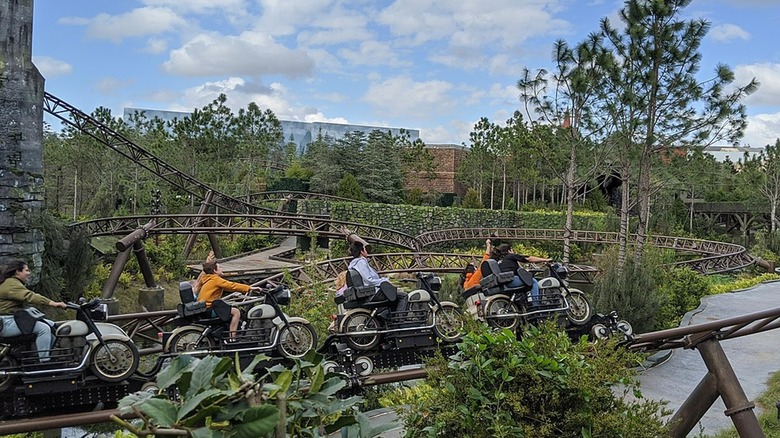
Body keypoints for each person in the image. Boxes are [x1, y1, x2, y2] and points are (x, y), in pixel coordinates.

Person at [0, 260, 67, 362]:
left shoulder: (13, 282)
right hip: (6, 322)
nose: (29, 273)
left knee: (51, 324)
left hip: (12, 319)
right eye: (26, 270)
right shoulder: (11, 284)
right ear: (18, 271)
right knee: (43, 329)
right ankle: (44, 361)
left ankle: (50, 353)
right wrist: (53, 303)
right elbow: (30, 296)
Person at [197, 260, 260, 340]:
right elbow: (231, 286)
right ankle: (232, 338)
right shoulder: (215, 279)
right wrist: (249, 288)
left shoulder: (208, 279)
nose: (222, 269)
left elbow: (228, 288)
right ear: (215, 271)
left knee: (231, 309)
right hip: (209, 308)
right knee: (236, 312)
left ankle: (227, 333)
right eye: (220, 267)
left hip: (205, 308)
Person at [347, 241, 408, 312]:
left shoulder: (353, 264)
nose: (366, 251)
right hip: (372, 293)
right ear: (361, 251)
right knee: (403, 295)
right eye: (365, 249)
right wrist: (384, 280)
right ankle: (399, 320)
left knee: (394, 295)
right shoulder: (361, 262)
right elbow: (369, 280)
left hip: (366, 294)